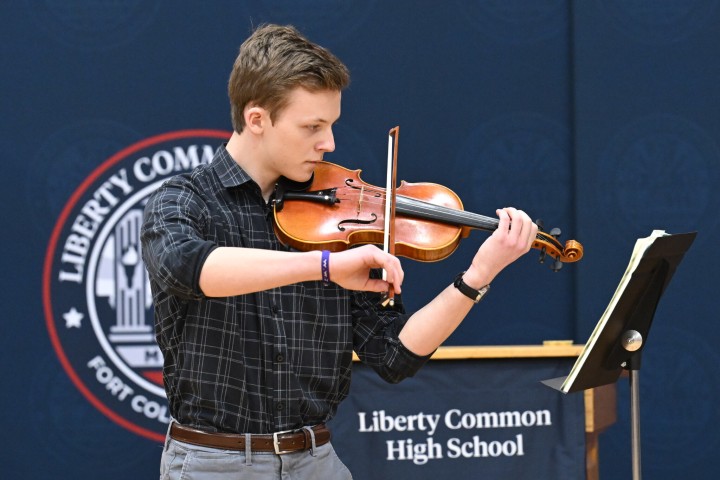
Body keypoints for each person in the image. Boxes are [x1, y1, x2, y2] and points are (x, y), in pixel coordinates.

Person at [141, 23, 538, 480]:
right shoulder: (183, 200)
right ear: (257, 120)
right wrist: (325, 266)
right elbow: (188, 266)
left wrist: (478, 275)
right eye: (312, 127)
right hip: (215, 463)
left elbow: (394, 355)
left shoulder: (339, 221)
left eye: (330, 125)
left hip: (316, 461)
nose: (328, 143)